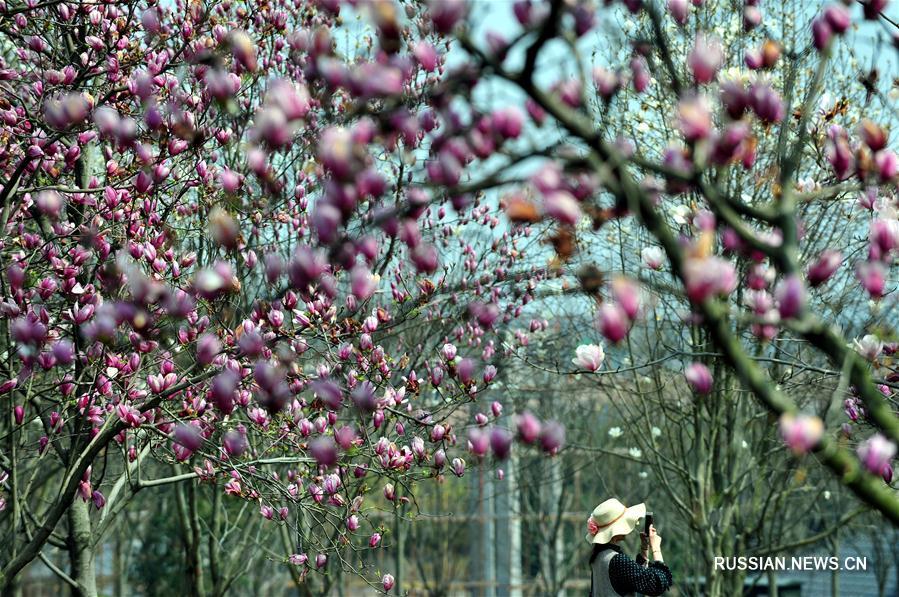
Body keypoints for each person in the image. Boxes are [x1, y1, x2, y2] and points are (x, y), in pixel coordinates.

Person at [586, 498, 673, 597]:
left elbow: (633, 579)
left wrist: (644, 548)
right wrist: (656, 549)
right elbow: (657, 584)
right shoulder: (617, 560)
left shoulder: (599, 556)